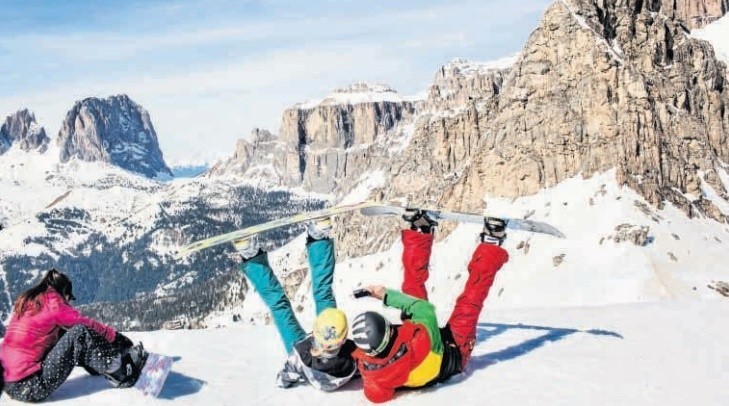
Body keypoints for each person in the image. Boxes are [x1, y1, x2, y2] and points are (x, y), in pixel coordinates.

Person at [351, 210, 509, 403]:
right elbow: (424, 309)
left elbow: (376, 396)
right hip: (455, 351)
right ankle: (490, 245)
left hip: (426, 352)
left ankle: (423, 229)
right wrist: (384, 294)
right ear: (388, 332)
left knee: (415, 292)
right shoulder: (420, 339)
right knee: (469, 304)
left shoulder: (372, 373)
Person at [234, 218, 357, 392]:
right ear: (343, 340)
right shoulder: (303, 360)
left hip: (304, 348)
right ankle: (251, 255)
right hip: (303, 348)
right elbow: (284, 379)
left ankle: (319, 237)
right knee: (279, 306)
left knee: (322, 293)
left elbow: (282, 381)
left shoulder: (305, 356)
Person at [0, 269, 147, 402]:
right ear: (64, 292)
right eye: (68, 298)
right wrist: (115, 337)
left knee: (64, 334)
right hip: (30, 385)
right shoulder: (52, 303)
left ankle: (100, 364)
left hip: (11, 382)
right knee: (79, 333)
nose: (69, 303)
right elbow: (85, 324)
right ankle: (122, 373)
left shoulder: (31, 302)